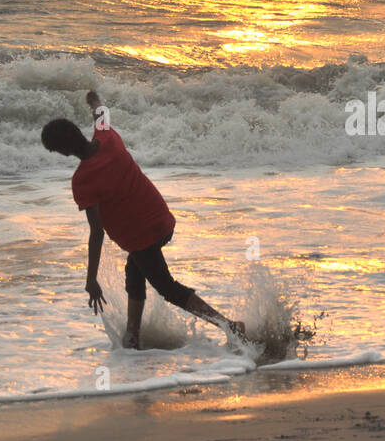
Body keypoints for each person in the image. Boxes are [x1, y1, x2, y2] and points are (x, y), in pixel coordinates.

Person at [41, 91, 246, 349]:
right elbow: (101, 112)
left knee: (167, 288)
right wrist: (93, 100)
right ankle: (132, 335)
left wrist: (91, 279)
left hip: (141, 237)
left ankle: (230, 326)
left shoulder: (82, 180)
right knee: (134, 270)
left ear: (63, 151)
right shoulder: (108, 137)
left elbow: (97, 232)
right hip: (162, 220)